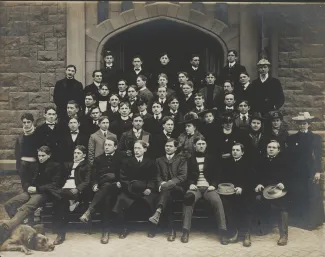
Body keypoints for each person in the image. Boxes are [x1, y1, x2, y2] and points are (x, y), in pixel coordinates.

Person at [0, 146, 62, 242]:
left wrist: (37, 188)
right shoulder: (35, 165)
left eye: (43, 156)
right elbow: (27, 179)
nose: (40, 158)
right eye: (39, 155)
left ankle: (9, 226)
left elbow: (54, 184)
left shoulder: (55, 166)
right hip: (30, 192)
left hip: (44, 194)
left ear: (49, 155)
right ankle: (22, 225)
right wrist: (28, 187)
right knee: (9, 204)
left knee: (26, 207)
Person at [181, 136, 228, 244]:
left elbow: (218, 175)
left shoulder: (212, 158)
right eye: (199, 144)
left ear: (206, 145)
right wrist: (191, 184)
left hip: (208, 188)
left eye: (203, 144)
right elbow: (185, 175)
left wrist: (214, 185)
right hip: (195, 187)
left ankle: (222, 231)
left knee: (217, 201)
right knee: (188, 199)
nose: (201, 146)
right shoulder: (189, 159)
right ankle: (185, 230)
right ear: (194, 146)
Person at [80, 138, 123, 244]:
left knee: (107, 188)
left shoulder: (121, 157)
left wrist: (118, 180)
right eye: (105, 145)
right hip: (103, 187)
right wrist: (94, 184)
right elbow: (94, 176)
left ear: (115, 147)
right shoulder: (98, 159)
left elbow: (124, 172)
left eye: (109, 145)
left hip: (117, 186)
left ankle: (90, 211)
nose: (107, 147)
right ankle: (106, 230)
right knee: (106, 197)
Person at [112, 140, 158, 239]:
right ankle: (123, 228)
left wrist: (149, 188)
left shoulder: (151, 162)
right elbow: (123, 178)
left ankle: (152, 228)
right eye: (135, 148)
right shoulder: (126, 162)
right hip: (130, 190)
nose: (136, 150)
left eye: (139, 148)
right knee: (121, 199)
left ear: (145, 149)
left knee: (153, 200)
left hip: (146, 190)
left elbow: (153, 178)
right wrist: (131, 189)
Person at [287, 112, 324, 230]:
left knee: (312, 195)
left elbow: (318, 156)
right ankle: (299, 220)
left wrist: (318, 171)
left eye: (305, 123)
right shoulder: (292, 138)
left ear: (309, 124)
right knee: (299, 194)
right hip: (297, 172)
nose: (302, 126)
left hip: (310, 171)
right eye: (300, 124)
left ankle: (313, 221)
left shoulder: (315, 138)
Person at [149, 138, 187, 241]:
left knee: (167, 192)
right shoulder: (159, 160)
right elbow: (157, 176)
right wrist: (161, 183)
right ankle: (171, 230)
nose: (168, 148)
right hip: (164, 190)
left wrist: (168, 183)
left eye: (170, 146)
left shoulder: (181, 159)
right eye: (166, 146)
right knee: (167, 197)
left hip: (177, 189)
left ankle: (157, 216)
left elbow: (182, 176)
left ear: (175, 148)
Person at [53, 145, 91, 245]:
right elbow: (61, 178)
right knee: (62, 201)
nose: (76, 155)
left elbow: (87, 181)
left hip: (77, 191)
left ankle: (60, 234)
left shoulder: (86, 166)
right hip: (65, 190)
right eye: (75, 153)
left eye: (78, 153)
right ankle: (72, 203)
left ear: (84, 155)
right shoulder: (68, 164)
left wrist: (77, 189)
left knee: (60, 199)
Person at [254, 140, 290, 246]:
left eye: (274, 148)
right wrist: (258, 183)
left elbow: (292, 176)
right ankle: (264, 227)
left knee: (283, 206)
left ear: (278, 150)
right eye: (269, 147)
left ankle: (284, 235)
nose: (271, 149)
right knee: (257, 199)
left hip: (280, 191)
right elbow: (256, 174)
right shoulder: (262, 160)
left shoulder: (284, 161)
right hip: (266, 190)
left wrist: (284, 183)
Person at [219, 143, 253, 247]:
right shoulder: (227, 163)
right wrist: (228, 188)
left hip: (244, 191)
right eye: (233, 150)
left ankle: (247, 234)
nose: (234, 152)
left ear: (242, 152)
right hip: (230, 191)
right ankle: (234, 232)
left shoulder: (248, 163)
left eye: (237, 150)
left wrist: (242, 187)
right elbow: (224, 179)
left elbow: (250, 179)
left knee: (245, 205)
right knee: (227, 206)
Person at [15, 113, 38, 192]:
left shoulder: (38, 134)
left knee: (35, 186)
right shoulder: (20, 137)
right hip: (23, 164)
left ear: (32, 122)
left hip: (35, 165)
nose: (26, 124)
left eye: (28, 122)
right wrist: (18, 167)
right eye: (24, 122)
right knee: (25, 187)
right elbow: (17, 153)